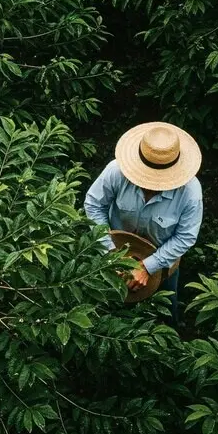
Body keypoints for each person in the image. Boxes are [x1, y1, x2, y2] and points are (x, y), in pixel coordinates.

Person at [84, 121, 204, 325]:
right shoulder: (116, 171)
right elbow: (94, 205)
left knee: (164, 314)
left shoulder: (190, 193)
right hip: (114, 251)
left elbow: (185, 237)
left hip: (163, 259)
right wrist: (110, 253)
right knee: (107, 310)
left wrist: (148, 267)